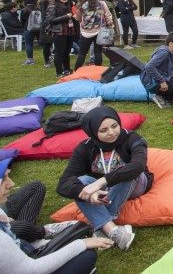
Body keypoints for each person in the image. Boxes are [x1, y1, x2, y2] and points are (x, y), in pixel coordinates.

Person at [57, 106, 153, 250]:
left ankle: (101, 224)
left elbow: (138, 166)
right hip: (104, 191)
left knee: (127, 170)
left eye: (115, 126)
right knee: (81, 182)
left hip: (135, 183)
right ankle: (112, 230)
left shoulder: (131, 137)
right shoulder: (85, 148)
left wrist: (101, 182)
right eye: (103, 130)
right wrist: (90, 192)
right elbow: (64, 183)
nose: (111, 132)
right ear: (93, 132)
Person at [0, 155, 111, 272]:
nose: (11, 183)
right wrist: (81, 244)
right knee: (87, 256)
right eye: (3, 180)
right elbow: (32, 270)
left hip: (14, 240)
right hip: (26, 263)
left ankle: (33, 235)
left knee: (36, 187)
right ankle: (39, 233)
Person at [73, 0, 114, 70]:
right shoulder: (101, 4)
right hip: (99, 31)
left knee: (82, 53)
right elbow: (107, 15)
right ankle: (98, 70)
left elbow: (79, 19)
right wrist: (110, 26)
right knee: (98, 52)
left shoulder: (80, 6)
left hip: (85, 32)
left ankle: (76, 71)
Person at [45, 0, 75, 78]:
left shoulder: (69, 6)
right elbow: (50, 20)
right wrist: (66, 16)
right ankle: (59, 72)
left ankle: (67, 69)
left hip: (69, 31)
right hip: (59, 32)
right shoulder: (53, 6)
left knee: (67, 52)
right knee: (59, 53)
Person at [38, 0, 60, 68]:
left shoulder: (55, 0)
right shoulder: (44, 1)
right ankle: (46, 61)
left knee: (56, 44)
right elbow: (44, 16)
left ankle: (52, 58)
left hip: (54, 25)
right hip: (47, 26)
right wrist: (48, 25)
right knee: (47, 44)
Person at [19, 0, 37, 65]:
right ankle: (48, 57)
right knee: (44, 44)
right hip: (38, 28)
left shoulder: (24, 10)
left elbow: (22, 21)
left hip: (27, 28)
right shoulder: (38, 9)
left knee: (29, 44)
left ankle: (30, 59)